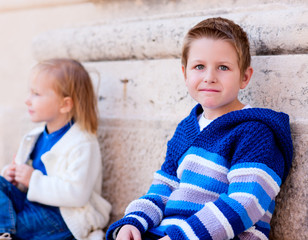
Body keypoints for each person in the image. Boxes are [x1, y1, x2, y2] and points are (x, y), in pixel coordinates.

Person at [106, 17, 293, 240]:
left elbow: (245, 204)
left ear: (244, 77)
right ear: (185, 73)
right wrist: (134, 221)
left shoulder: (254, 132)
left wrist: (179, 237)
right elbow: (164, 187)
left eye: (223, 67)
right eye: (199, 66)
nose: (209, 77)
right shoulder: (187, 129)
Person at [0, 59, 112, 240]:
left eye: (36, 94)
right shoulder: (36, 136)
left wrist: (32, 179)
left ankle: (1, 232)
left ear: (65, 104)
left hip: (63, 218)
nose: (27, 100)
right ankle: (0, 235)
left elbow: (77, 195)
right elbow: (28, 182)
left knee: (7, 222)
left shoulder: (83, 143)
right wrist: (16, 178)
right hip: (33, 207)